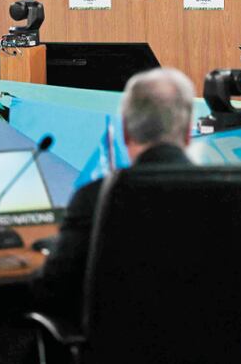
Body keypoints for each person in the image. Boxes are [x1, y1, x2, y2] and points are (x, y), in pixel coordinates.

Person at [31, 67, 196, 322]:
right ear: (187, 132)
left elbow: (54, 289)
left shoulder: (96, 197)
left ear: (127, 132)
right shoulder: (237, 194)